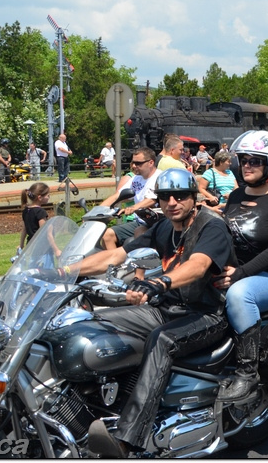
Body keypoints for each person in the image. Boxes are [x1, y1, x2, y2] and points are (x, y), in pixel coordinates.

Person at [75, 169, 232, 457]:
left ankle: (127, 438)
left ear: (193, 198)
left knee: (162, 341)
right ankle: (92, 410)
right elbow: (115, 256)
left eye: (180, 195)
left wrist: (160, 281)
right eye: (164, 197)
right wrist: (64, 269)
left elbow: (198, 265)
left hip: (207, 314)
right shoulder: (163, 228)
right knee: (93, 324)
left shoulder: (212, 226)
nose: (172, 202)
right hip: (164, 309)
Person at [214, 131, 268, 403]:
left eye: (255, 160)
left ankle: (247, 372)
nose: (247, 165)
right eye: (243, 160)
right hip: (237, 272)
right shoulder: (236, 196)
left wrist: (238, 274)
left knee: (240, 294)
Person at [100, 147, 161, 249]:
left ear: (150, 163)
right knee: (107, 235)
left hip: (155, 223)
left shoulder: (159, 177)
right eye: (133, 162)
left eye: (138, 163)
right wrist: (97, 211)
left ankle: (141, 263)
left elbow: (152, 199)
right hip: (140, 221)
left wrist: (134, 207)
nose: (133, 166)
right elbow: (118, 195)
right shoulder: (136, 178)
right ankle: (113, 264)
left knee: (140, 233)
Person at [18, 182, 50, 254]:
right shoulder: (40, 212)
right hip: (42, 248)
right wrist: (56, 249)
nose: (49, 197)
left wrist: (21, 244)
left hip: (31, 245)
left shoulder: (26, 210)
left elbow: (24, 230)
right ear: (40, 197)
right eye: (48, 195)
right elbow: (44, 232)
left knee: (33, 265)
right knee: (47, 265)